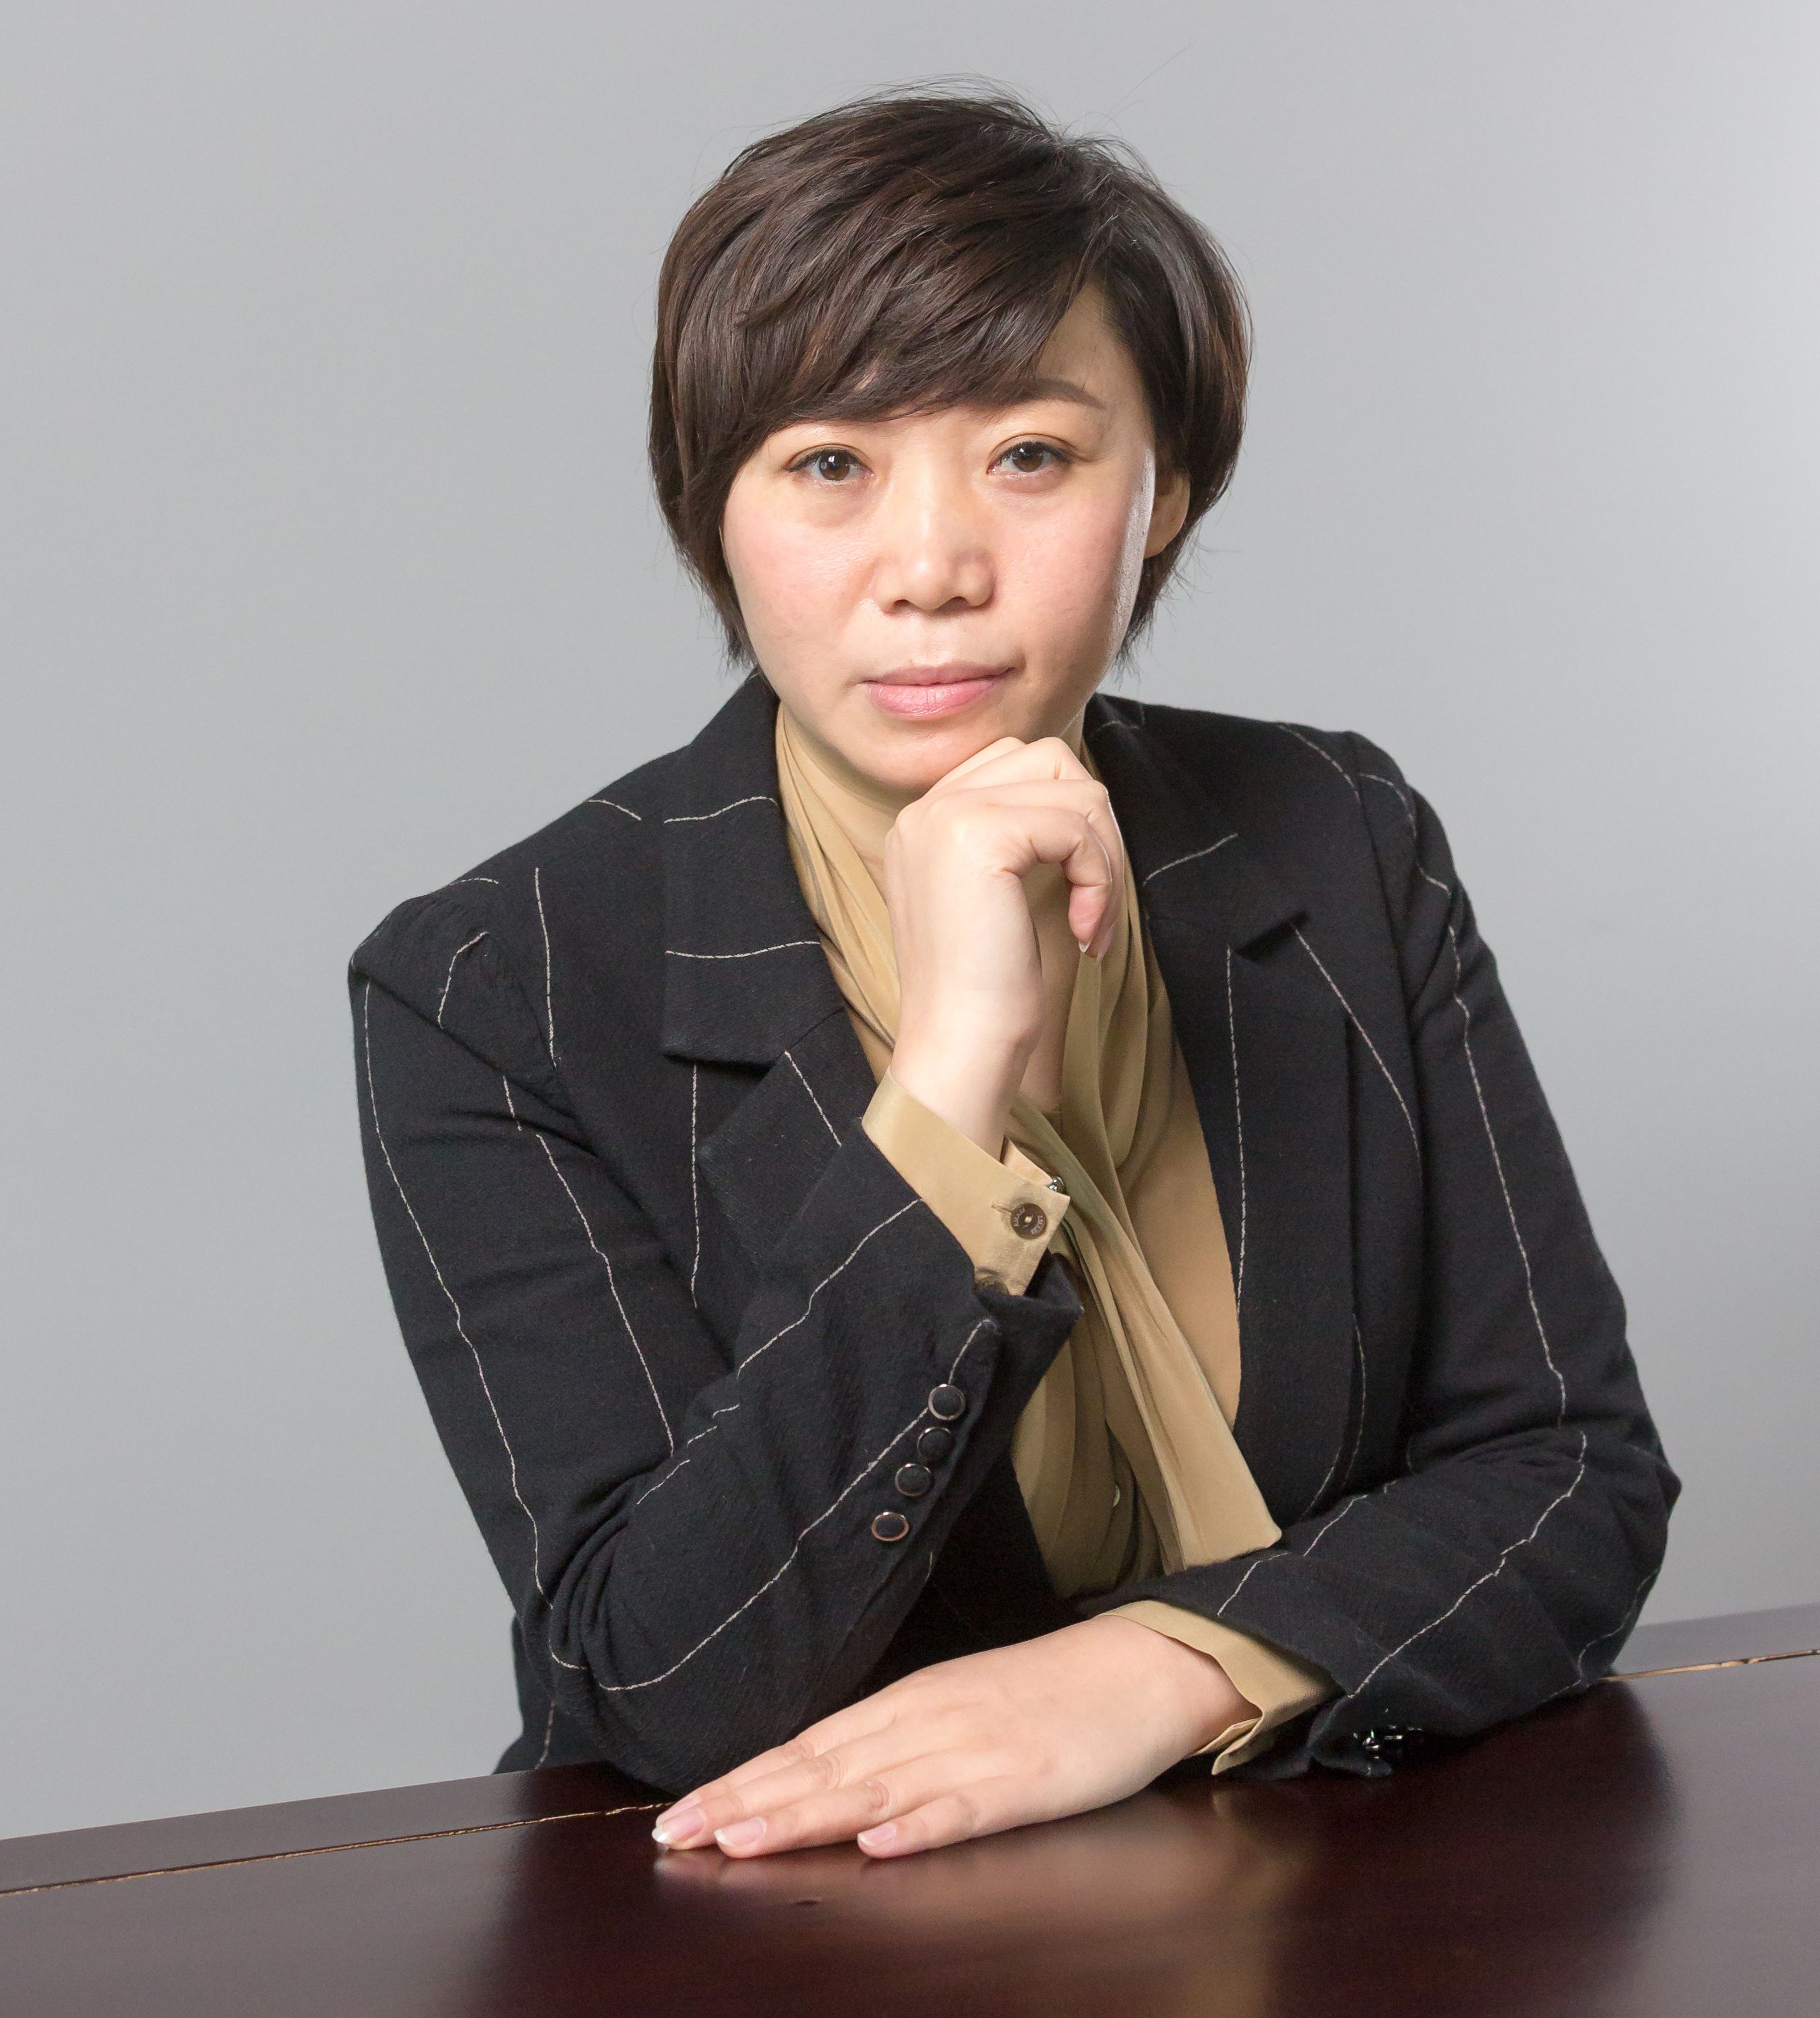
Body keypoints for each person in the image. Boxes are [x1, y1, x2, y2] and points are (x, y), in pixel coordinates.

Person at [347, 85, 1676, 1863]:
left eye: (1031, 456)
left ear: (1166, 489)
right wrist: (954, 1076)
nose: (932, 571)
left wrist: (1155, 1674)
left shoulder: (1334, 834)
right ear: (712, 505)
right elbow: (664, 1686)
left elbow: (1571, 1476)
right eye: (830, 465)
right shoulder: (493, 986)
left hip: (1328, 1881)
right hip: (777, 1932)